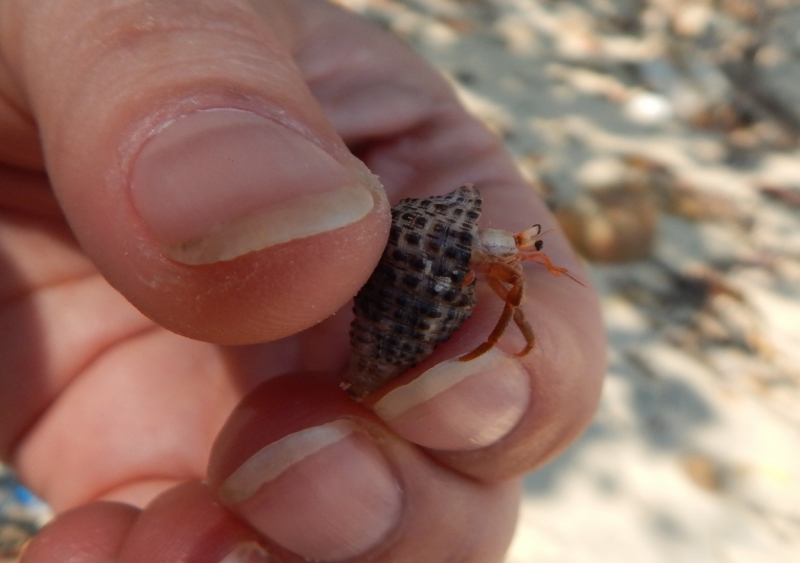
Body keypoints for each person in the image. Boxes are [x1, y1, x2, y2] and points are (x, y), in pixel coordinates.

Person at [1, 1, 605, 561]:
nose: (520, 254)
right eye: (521, 247)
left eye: (524, 247)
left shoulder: (455, 236)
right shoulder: (447, 235)